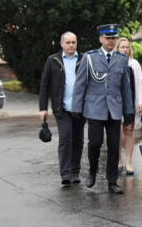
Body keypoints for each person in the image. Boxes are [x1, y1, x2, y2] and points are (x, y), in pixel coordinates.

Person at [71, 24, 134, 194]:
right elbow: (80, 84)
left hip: (114, 109)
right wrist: (76, 107)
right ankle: (92, 172)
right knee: (95, 143)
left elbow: (125, 88)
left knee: (114, 146)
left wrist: (129, 110)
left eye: (113, 38)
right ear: (101, 39)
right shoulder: (90, 58)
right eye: (108, 38)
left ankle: (112, 181)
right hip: (95, 109)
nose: (111, 41)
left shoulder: (121, 59)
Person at [39, 32, 85, 186]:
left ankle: (75, 172)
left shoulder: (84, 59)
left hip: (79, 108)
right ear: (61, 44)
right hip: (62, 108)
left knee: (78, 140)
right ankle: (65, 174)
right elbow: (44, 85)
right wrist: (43, 108)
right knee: (65, 138)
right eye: (68, 42)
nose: (71, 45)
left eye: (74, 42)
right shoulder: (53, 60)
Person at [114, 37, 142, 175]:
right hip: (116, 102)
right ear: (117, 48)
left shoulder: (135, 64)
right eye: (122, 47)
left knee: (129, 131)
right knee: (117, 133)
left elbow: (139, 84)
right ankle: (119, 161)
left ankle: (129, 163)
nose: (125, 49)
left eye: (127, 47)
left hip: (130, 102)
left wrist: (140, 102)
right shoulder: (113, 62)